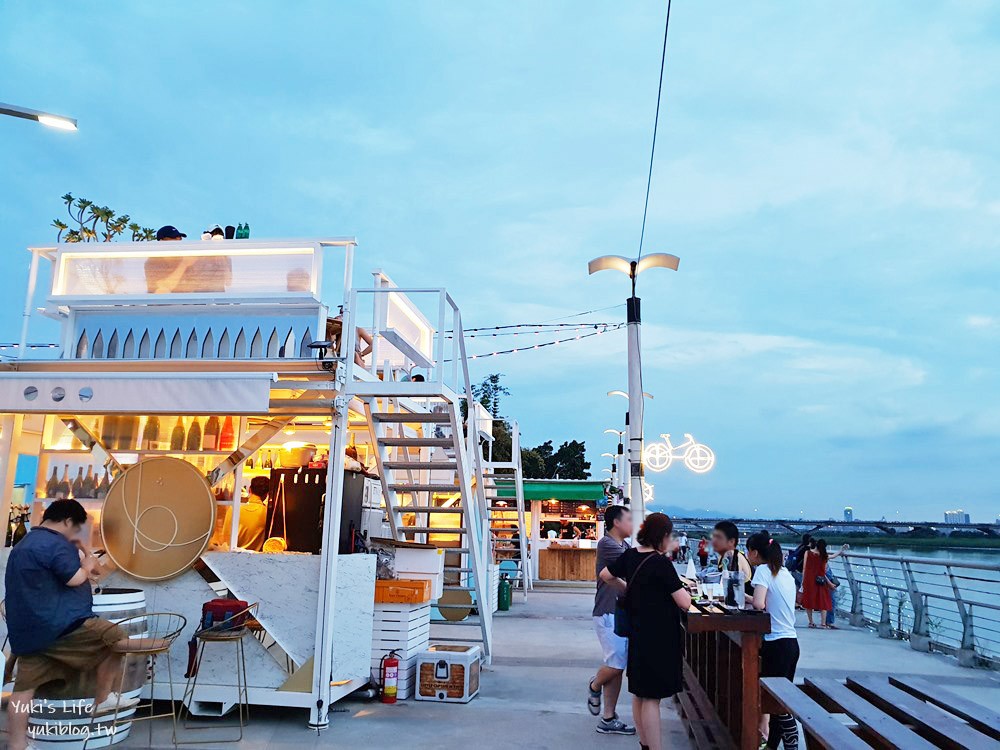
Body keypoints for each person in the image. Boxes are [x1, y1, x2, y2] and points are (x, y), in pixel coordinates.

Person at [4, 500, 135, 750]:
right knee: (115, 636)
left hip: (29, 633)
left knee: (23, 692)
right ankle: (103, 697)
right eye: (75, 528)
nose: (74, 534)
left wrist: (83, 554)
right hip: (63, 627)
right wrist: (86, 565)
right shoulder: (55, 543)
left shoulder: (24, 545)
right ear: (66, 521)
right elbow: (75, 579)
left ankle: (17, 745)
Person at [600, 513, 692, 750]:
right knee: (652, 698)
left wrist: (628, 589)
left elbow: (605, 575)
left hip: (638, 634)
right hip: (659, 638)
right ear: (662, 536)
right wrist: (686, 590)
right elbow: (683, 602)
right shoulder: (661, 563)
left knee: (640, 694)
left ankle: (645, 745)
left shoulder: (631, 555)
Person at [745, 531, 800, 749]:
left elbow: (759, 604)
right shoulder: (784, 573)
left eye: (748, 550)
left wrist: (743, 596)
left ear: (755, 552)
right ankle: (773, 745)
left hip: (775, 643)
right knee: (779, 700)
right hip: (791, 643)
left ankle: (791, 741)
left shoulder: (763, 571)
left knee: (773, 702)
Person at [587, 506, 636, 736]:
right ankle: (595, 685)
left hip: (619, 613)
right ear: (616, 522)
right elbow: (635, 565)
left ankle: (608, 717)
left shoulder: (624, 546)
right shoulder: (607, 544)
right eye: (629, 519)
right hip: (607, 612)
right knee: (616, 663)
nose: (632, 523)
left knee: (617, 664)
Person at [801, 539, 848, 628]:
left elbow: (804, 568)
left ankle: (811, 622)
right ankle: (823, 623)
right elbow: (833, 556)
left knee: (809, 600)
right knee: (823, 600)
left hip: (809, 580)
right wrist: (841, 549)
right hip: (821, 581)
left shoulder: (807, 553)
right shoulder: (824, 556)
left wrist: (803, 581)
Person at [224, 475, 270, 551]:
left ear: (249, 490)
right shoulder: (267, 513)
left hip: (232, 556)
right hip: (255, 558)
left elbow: (225, 539)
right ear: (267, 494)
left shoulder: (234, 509)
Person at [711, 521, 753, 591]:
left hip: (743, 599)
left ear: (731, 541)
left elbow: (734, 587)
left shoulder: (736, 557)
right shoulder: (722, 556)